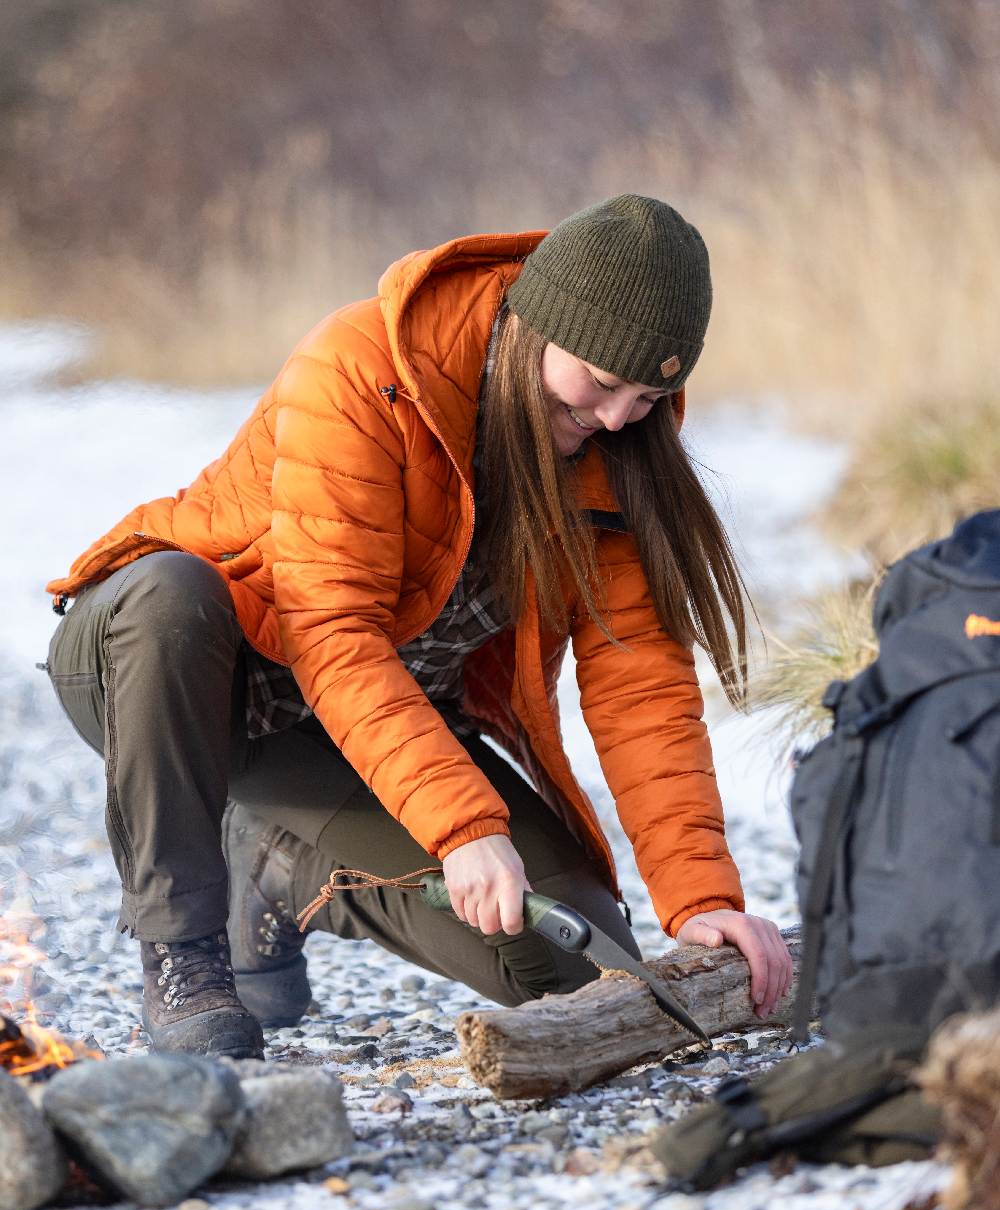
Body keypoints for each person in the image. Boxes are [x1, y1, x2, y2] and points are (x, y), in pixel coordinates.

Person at [45, 195, 794, 1061]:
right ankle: (183, 957)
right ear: (533, 327)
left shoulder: (618, 454)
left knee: (576, 967)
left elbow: (641, 686)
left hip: (347, 736)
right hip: (169, 678)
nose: (622, 416)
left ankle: (277, 864)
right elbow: (333, 632)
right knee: (170, 595)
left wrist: (700, 898)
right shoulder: (363, 367)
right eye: (603, 382)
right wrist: (463, 827)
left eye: (652, 394)